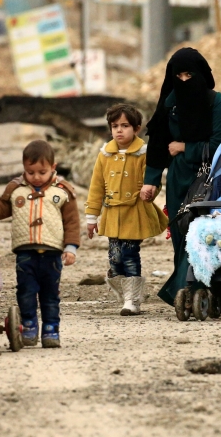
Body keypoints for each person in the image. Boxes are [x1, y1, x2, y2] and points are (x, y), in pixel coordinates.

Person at [143, 49, 221, 307]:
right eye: (177, 75)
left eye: (189, 75)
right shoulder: (169, 104)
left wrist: (185, 147)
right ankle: (195, 292)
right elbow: (158, 143)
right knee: (180, 235)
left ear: (200, 74)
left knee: (201, 233)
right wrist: (151, 180)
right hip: (178, 179)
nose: (183, 81)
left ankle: (190, 290)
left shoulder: (216, 102)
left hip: (207, 178)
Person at [0, 140, 79, 347]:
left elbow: (72, 222)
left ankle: (51, 330)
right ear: (24, 168)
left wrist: (71, 248)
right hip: (25, 252)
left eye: (42, 172)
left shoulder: (62, 191)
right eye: (30, 171)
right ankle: (28, 325)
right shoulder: (16, 189)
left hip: (52, 252)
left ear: (53, 168)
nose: (36, 177)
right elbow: (0, 210)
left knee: (50, 294)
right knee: (25, 291)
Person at [86, 104, 168, 316]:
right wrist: (91, 217)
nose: (119, 130)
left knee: (130, 254)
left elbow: (153, 180)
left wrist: (150, 192)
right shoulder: (105, 155)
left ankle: (132, 300)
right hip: (112, 214)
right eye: (115, 126)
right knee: (114, 258)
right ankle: (127, 293)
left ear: (137, 128)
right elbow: (96, 187)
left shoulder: (143, 153)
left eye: (125, 126)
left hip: (135, 213)